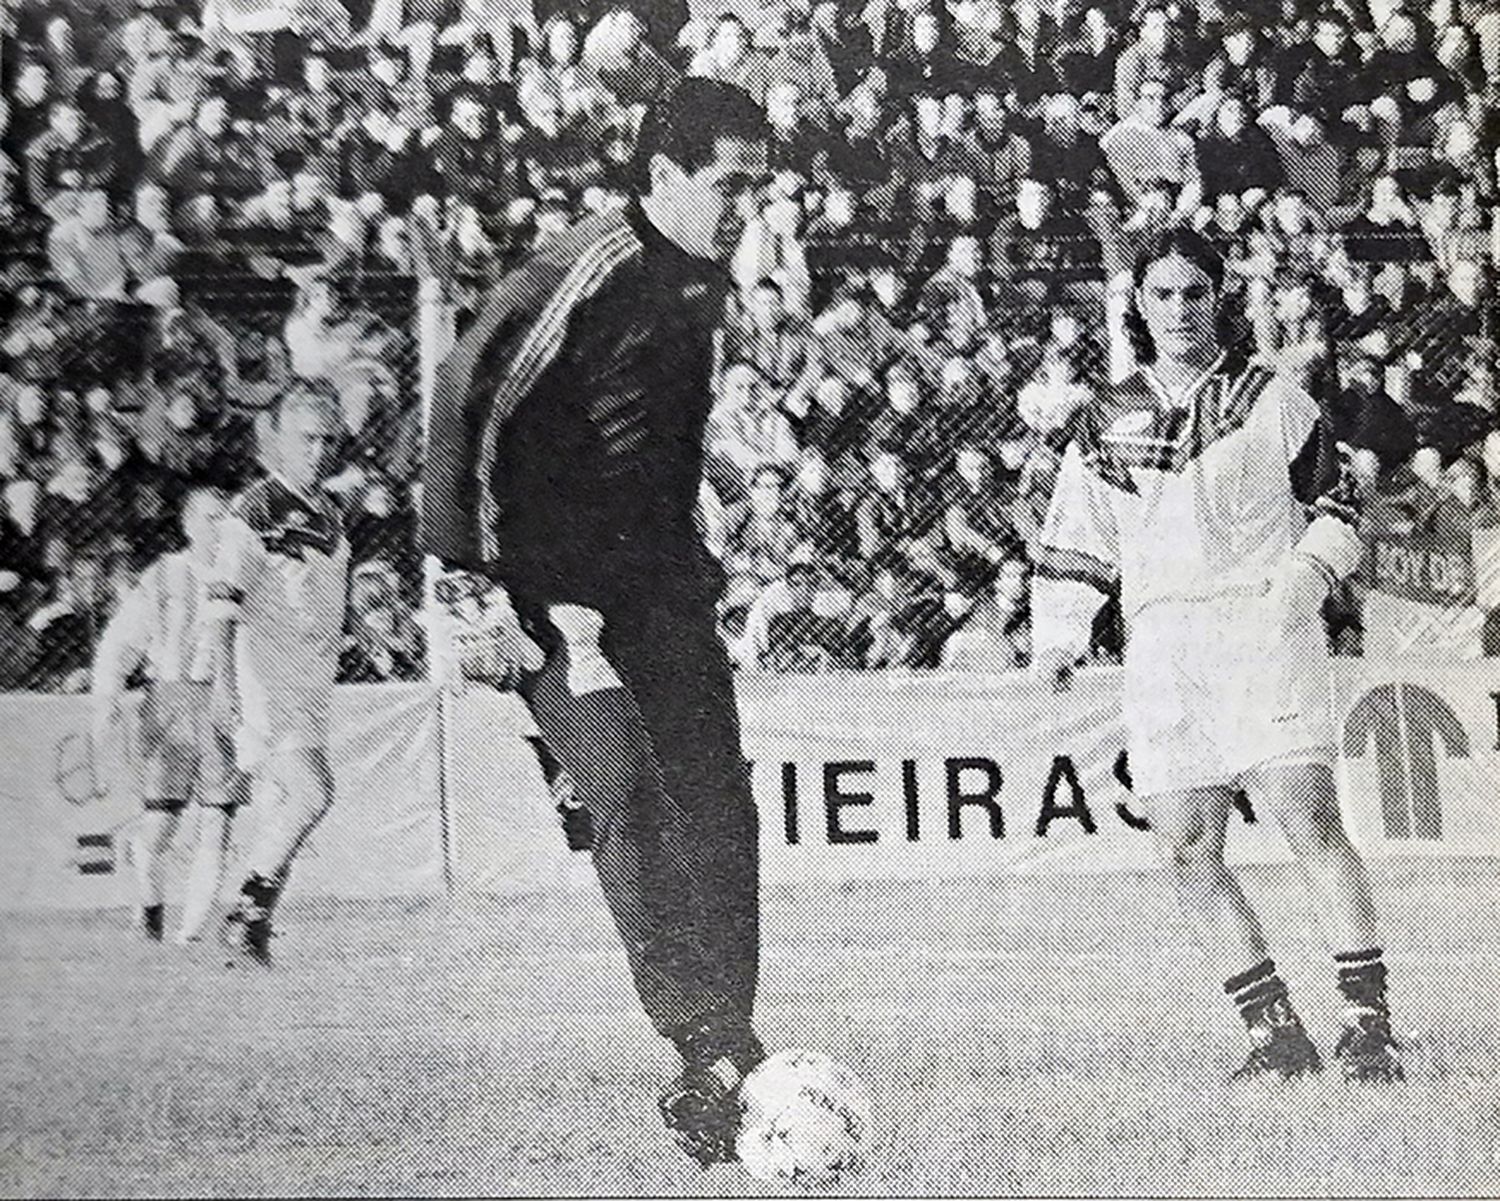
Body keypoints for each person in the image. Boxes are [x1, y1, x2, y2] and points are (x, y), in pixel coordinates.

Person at [418, 77, 771, 1165]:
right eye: (728, 184)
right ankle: (705, 1032)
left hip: (659, 586)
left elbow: (640, 430)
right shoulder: (579, 270)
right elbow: (466, 396)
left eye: (757, 187)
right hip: (550, 593)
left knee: (722, 803)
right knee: (623, 784)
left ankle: (728, 1052)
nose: (744, 207)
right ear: (662, 175)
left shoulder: (704, 281)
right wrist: (466, 583)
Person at [1032, 228, 1404, 1083]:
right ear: (1139, 306)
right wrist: (1059, 632)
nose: (1177, 311)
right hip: (1161, 642)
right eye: (1160, 295)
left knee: (1307, 817)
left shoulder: (1274, 399)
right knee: (1186, 846)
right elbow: (1078, 538)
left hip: (1260, 628)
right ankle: (1275, 1033)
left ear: (1218, 301)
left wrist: (1306, 578)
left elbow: (1340, 504)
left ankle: (1368, 1025)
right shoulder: (1105, 419)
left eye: (1193, 293)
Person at [203, 382, 349, 966]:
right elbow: (220, 602)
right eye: (306, 438)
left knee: (284, 811)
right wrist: (222, 684)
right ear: (278, 442)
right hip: (266, 681)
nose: (317, 450)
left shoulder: (330, 514)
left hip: (309, 684)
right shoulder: (255, 509)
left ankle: (251, 934)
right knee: (314, 793)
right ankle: (242, 909)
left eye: (327, 440)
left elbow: (316, 595)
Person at [92, 484, 250, 944]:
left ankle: (190, 935)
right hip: (170, 704)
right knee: (160, 826)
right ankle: (149, 901)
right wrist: (107, 696)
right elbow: (121, 642)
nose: (218, 527)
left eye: (225, 517)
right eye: (209, 518)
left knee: (218, 820)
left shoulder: (245, 575)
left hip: (223, 702)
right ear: (186, 525)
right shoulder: (165, 575)